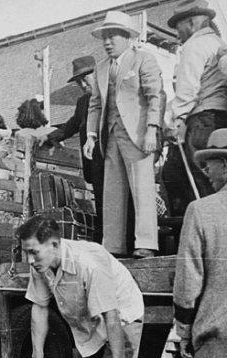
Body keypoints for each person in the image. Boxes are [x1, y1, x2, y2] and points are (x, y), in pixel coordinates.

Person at [19, 215, 143, 358]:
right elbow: (40, 308)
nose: (29, 260)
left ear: (54, 245)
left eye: (33, 252)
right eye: (26, 252)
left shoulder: (88, 262)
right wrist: (38, 357)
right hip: (89, 325)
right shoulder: (39, 265)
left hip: (121, 320)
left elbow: (111, 315)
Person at [84, 11, 164, 258]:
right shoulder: (101, 68)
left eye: (113, 36)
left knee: (142, 189)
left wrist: (152, 129)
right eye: (105, 37)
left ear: (128, 37)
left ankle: (147, 244)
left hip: (139, 136)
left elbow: (155, 96)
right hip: (111, 137)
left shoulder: (143, 59)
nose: (108, 42)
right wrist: (91, 135)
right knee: (112, 193)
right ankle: (113, 245)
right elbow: (96, 104)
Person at [173, 128, 227, 358]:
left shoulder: (201, 210)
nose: (205, 170)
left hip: (218, 342)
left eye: (209, 163)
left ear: (226, 165)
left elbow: (187, 283)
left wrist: (184, 331)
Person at [164, 0, 227, 210]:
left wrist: (176, 120)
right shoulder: (218, 43)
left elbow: (187, 90)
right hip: (220, 120)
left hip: (202, 121)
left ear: (191, 23)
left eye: (178, 27)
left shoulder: (193, 46)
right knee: (218, 180)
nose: (177, 34)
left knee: (201, 182)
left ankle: (202, 229)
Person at [46, 56, 105, 243]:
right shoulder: (83, 103)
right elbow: (69, 127)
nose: (82, 84)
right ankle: (102, 241)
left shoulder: (109, 96)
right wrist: (48, 137)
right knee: (101, 204)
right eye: (78, 81)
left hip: (111, 160)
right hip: (95, 165)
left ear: (97, 74)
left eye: (85, 78)